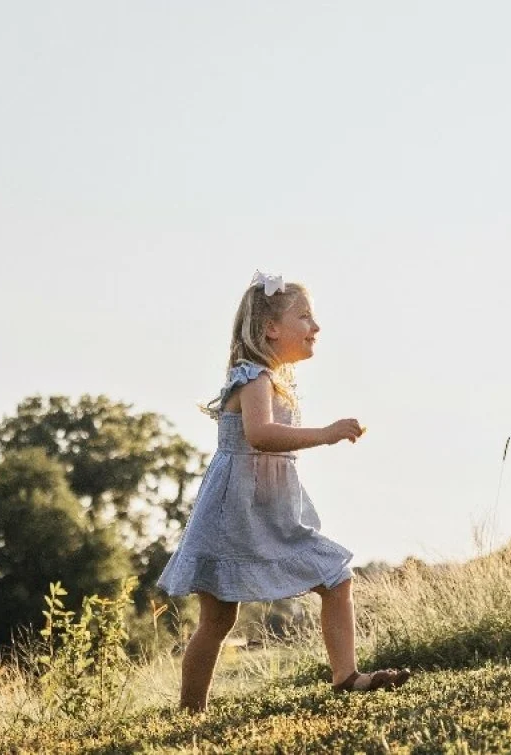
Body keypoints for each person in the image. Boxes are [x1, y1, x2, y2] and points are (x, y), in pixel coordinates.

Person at [157, 271, 410, 711]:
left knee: (335, 574)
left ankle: (346, 676)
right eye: (305, 317)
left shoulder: (272, 380)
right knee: (218, 617)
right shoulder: (253, 377)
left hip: (268, 509)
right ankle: (190, 710)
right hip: (234, 513)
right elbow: (260, 435)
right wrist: (326, 433)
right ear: (271, 328)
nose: (316, 327)